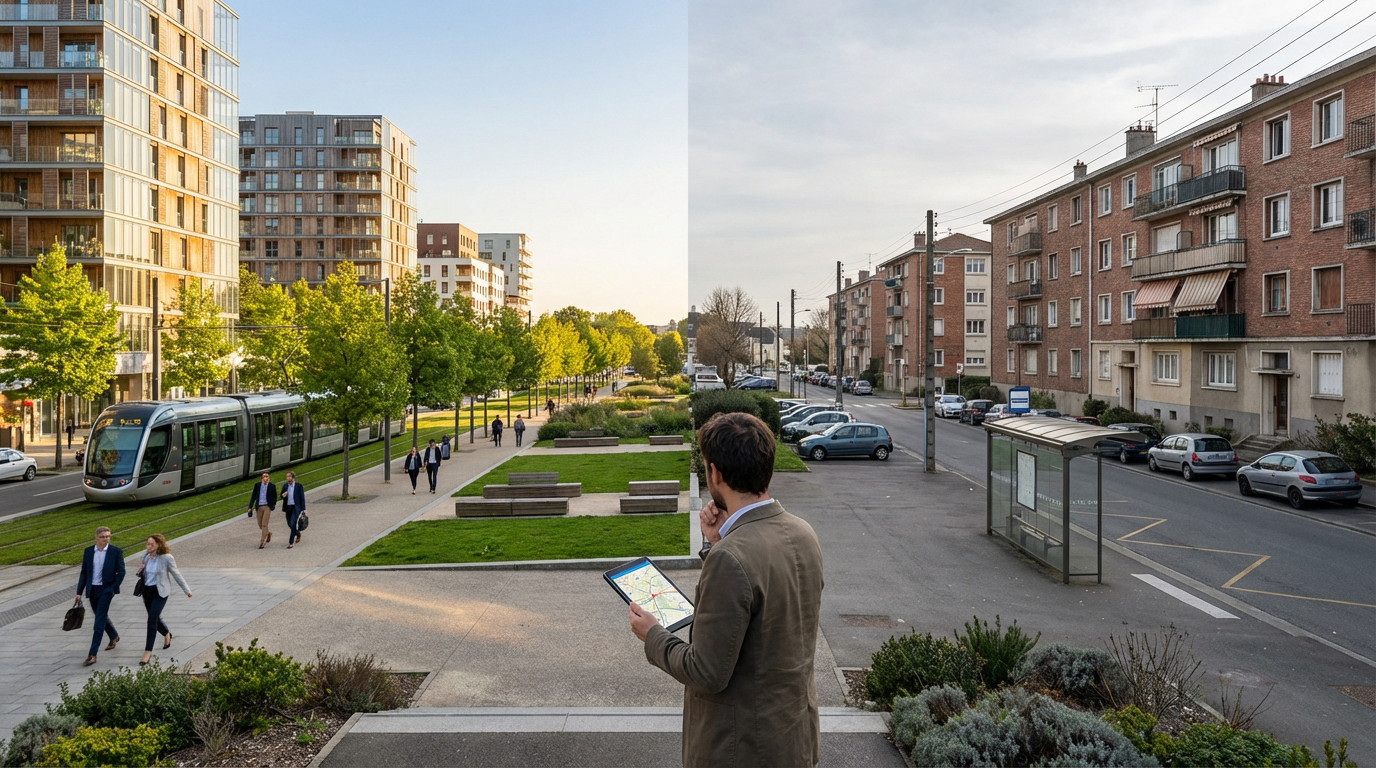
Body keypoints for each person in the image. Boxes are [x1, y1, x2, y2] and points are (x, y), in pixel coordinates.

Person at [628, 412, 824, 767]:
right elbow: (762, 606)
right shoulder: (802, 532)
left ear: (715, 473)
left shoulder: (730, 558)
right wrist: (717, 542)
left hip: (742, 748)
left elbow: (705, 672)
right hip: (793, 736)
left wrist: (652, 635)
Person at [136, 534, 192, 666]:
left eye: (152, 544)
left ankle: (147, 652)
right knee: (154, 617)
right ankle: (167, 633)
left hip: (160, 592)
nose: (149, 546)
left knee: (151, 620)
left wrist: (187, 590)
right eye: (148, 544)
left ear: (159, 545)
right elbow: (143, 572)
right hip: (147, 591)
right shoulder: (145, 557)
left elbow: (176, 573)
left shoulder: (166, 558)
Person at [75, 526, 125, 666]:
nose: (106, 539)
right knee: (100, 615)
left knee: (98, 623)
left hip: (106, 590)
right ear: (96, 537)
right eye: (103, 537)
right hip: (93, 590)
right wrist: (79, 592)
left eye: (108, 536)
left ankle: (92, 654)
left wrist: (112, 589)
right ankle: (114, 636)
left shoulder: (115, 551)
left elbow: (121, 572)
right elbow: (84, 572)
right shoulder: (89, 551)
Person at [247, 472, 277, 548]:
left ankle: (262, 542)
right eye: (264, 476)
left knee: (264, 524)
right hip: (259, 507)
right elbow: (253, 496)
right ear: (262, 478)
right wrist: (250, 507)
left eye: (267, 476)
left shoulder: (272, 486)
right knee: (260, 525)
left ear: (269, 478)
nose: (265, 478)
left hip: (267, 507)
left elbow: (275, 497)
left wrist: (272, 506)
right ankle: (268, 533)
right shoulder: (257, 485)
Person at [280, 471, 306, 548]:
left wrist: (304, 509)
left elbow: (302, 498)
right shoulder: (285, 486)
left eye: (289, 476)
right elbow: (281, 496)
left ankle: (291, 542)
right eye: (287, 477)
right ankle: (297, 533)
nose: (288, 478)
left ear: (293, 477)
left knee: (293, 523)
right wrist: (283, 495)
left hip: (296, 507)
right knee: (289, 523)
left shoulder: (299, 486)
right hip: (288, 507)